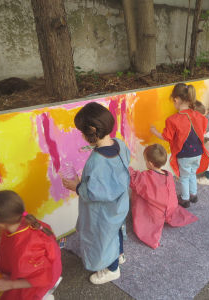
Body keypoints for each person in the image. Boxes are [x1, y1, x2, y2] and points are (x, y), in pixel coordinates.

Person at [62, 102, 130, 285]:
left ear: (90, 132)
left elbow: (93, 192)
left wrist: (77, 186)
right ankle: (120, 255)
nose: (81, 135)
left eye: (81, 131)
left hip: (103, 212)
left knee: (104, 237)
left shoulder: (97, 161)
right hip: (120, 204)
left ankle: (112, 268)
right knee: (116, 231)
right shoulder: (119, 144)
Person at [0, 191, 62, 300]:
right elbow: (8, 239)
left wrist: (9, 284)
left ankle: (44, 296)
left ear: (0, 224)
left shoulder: (25, 250)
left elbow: (42, 279)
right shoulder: (19, 220)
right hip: (36, 268)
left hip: (38, 281)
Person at [150, 83, 209, 208]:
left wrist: (155, 131)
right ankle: (193, 195)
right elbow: (203, 129)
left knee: (184, 177)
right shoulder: (198, 115)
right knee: (192, 174)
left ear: (176, 100)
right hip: (198, 152)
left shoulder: (173, 120)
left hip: (185, 155)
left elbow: (166, 137)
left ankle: (185, 199)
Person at [129, 144, 198, 249]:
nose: (145, 162)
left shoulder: (146, 177)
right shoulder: (168, 174)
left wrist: (126, 166)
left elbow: (133, 179)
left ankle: (151, 218)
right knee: (144, 191)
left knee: (139, 192)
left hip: (156, 213)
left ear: (150, 164)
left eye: (145, 161)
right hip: (171, 209)